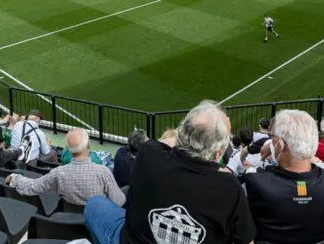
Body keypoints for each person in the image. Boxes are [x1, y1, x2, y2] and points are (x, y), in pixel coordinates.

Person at [84, 100, 256, 244]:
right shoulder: (229, 187)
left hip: (132, 238)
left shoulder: (149, 153)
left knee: (94, 203)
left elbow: (167, 141)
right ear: (218, 153)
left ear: (180, 134)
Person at [244, 110, 324, 244]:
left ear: (281, 145)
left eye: (273, 138)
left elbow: (252, 169)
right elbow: (322, 165)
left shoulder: (256, 179)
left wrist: (272, 148)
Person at [7, 128, 125, 206]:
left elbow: (33, 186)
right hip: (96, 222)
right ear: (88, 146)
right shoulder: (103, 171)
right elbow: (119, 201)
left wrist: (14, 178)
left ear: (68, 149)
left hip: (70, 218)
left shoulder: (58, 172)